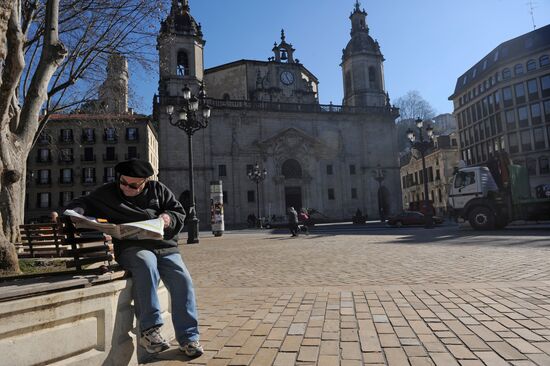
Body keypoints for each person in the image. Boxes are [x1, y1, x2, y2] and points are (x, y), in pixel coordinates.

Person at [65, 159, 203, 358]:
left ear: (145, 182)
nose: (126, 188)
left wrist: (167, 218)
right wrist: (77, 211)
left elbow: (177, 212)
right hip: (132, 247)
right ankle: (150, 332)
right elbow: (82, 202)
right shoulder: (107, 193)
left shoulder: (159, 190)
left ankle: (189, 338)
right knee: (146, 265)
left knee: (183, 280)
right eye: (123, 182)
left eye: (133, 185)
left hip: (164, 247)